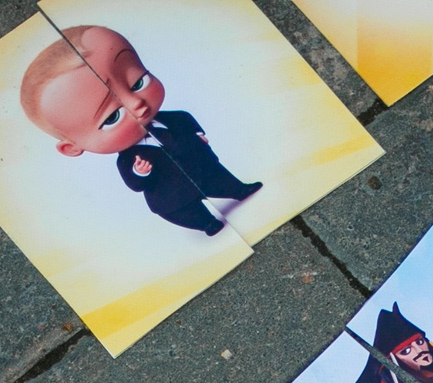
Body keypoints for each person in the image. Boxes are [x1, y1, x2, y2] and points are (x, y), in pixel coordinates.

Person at [17, 24, 258, 237]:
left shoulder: (172, 119)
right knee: (186, 212)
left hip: (203, 167)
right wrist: (140, 172)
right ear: (72, 147)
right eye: (112, 116)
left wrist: (197, 133)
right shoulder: (129, 160)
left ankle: (239, 189)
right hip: (172, 196)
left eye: (138, 82)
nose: (136, 104)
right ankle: (206, 223)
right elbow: (135, 183)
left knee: (221, 180)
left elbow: (185, 120)